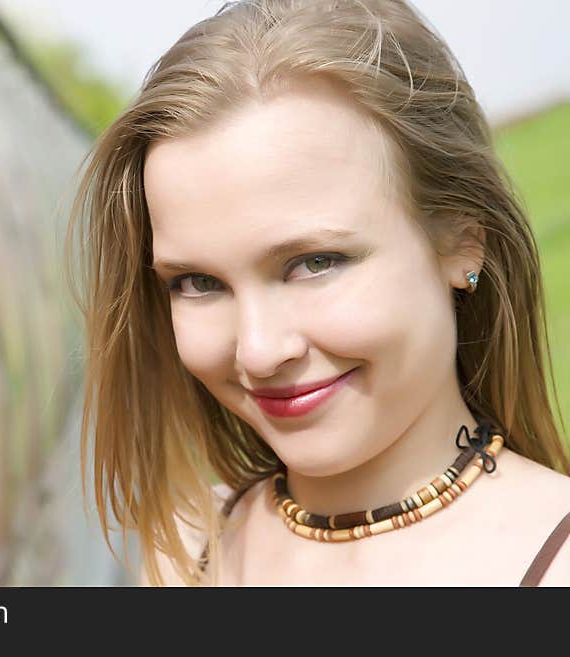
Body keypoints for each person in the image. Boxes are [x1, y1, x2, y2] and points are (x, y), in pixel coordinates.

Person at [65, 0, 570, 586]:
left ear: (463, 243)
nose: (258, 351)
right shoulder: (186, 550)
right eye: (198, 283)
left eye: (315, 263)